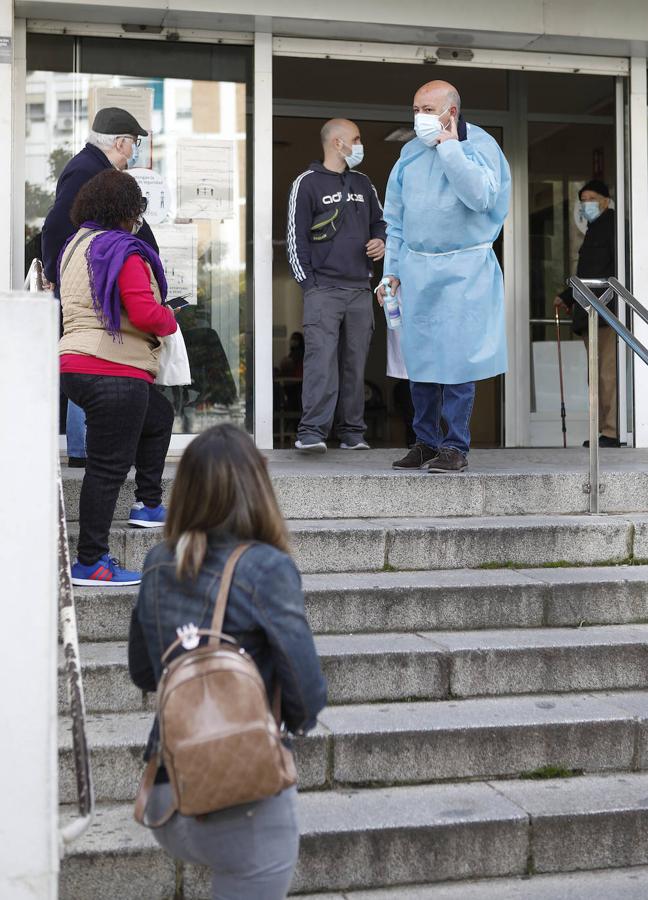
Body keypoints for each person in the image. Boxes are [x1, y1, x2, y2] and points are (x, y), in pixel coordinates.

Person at [128, 424, 327, 899]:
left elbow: (142, 671)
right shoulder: (266, 567)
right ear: (258, 488)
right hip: (244, 799)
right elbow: (307, 694)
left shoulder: (158, 561)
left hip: (167, 795)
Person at [379, 80, 510, 472]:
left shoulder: (481, 146)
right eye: (415, 108)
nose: (419, 117)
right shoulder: (409, 154)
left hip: (464, 269)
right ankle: (425, 441)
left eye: (427, 109)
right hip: (417, 268)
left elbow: (481, 197)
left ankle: (455, 446)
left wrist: (450, 147)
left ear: (451, 112)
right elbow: (395, 222)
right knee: (419, 360)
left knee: (456, 360)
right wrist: (391, 273)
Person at [59, 169, 177, 587]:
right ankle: (91, 561)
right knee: (107, 470)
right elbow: (146, 314)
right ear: (128, 211)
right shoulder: (123, 251)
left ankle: (147, 503)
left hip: (75, 364)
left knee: (159, 416)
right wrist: (170, 319)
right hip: (113, 370)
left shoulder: (76, 246)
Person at [42, 106, 159, 468]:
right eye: (135, 141)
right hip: (91, 291)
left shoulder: (94, 169)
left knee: (93, 361)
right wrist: (61, 275)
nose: (136, 148)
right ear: (122, 142)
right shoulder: (86, 170)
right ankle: (82, 449)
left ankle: (86, 448)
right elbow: (56, 227)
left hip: (96, 286)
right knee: (91, 359)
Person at [287, 118, 387, 453]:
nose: (361, 146)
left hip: (360, 289)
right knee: (321, 362)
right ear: (338, 143)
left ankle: (352, 434)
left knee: (355, 364)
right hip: (323, 290)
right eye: (356, 139)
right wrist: (310, 285)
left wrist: (380, 240)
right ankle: (312, 432)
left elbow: (380, 222)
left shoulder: (364, 183)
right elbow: (295, 239)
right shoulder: (307, 183)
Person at [554, 179, 618, 447]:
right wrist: (568, 296)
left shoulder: (614, 227)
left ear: (605, 200)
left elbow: (607, 270)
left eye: (591, 198)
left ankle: (613, 431)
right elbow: (586, 273)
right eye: (583, 199)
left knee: (606, 375)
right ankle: (603, 429)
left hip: (606, 312)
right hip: (590, 313)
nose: (586, 204)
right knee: (596, 375)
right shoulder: (594, 229)